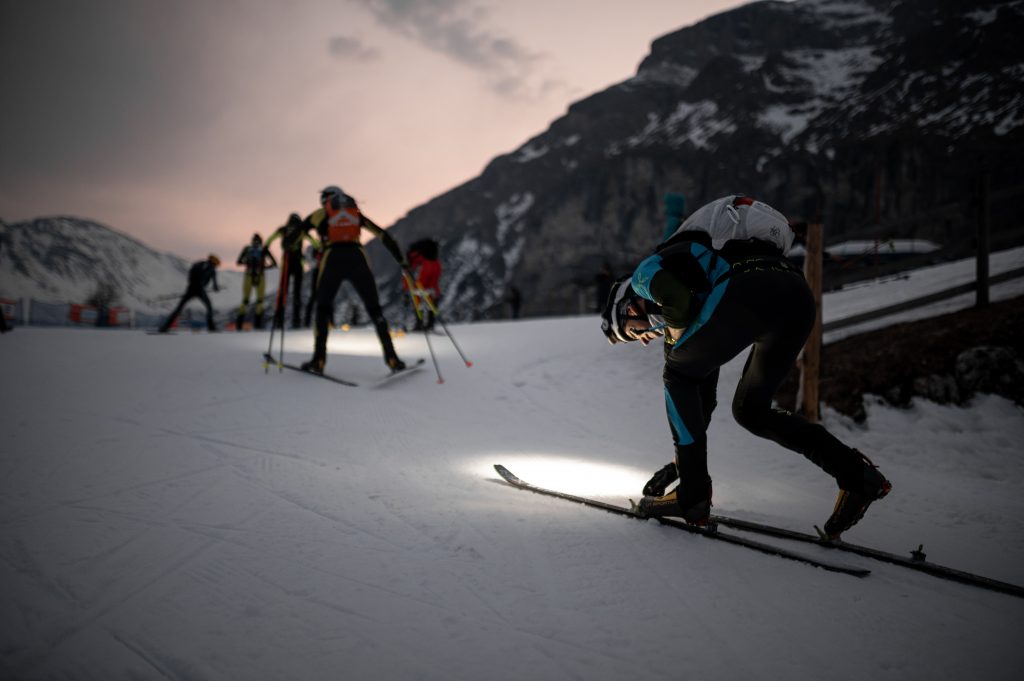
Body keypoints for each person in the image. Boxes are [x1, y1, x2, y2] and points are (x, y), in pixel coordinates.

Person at [601, 195, 891, 539]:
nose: (644, 336)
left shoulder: (643, 275)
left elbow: (677, 309)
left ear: (626, 307)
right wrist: (679, 466)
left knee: (676, 373)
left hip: (745, 290)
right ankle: (858, 477)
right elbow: (700, 403)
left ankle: (693, 499)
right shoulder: (697, 279)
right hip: (795, 292)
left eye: (632, 332)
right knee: (751, 410)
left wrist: (672, 340)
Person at [300, 185, 408, 373]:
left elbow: (296, 234)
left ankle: (318, 360)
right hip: (357, 258)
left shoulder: (319, 214)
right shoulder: (354, 213)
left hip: (331, 258)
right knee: (375, 310)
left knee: (323, 309)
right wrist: (401, 260)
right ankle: (392, 358)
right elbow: (382, 234)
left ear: (324, 200)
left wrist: (308, 244)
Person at [265, 213, 318, 329]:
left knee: (283, 291)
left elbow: (270, 239)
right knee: (297, 293)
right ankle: (296, 321)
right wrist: (318, 250)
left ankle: (279, 320)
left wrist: (265, 248)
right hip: (298, 263)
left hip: (286, 261)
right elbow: (314, 242)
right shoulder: (301, 230)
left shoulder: (283, 230)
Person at [159, 254, 221, 332]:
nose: (216, 266)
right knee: (209, 308)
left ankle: (165, 327)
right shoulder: (212, 269)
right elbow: (215, 285)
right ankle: (211, 328)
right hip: (200, 291)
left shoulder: (198, 264)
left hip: (190, 289)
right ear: (214, 262)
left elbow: (191, 274)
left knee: (179, 308)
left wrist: (192, 285)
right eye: (217, 264)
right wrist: (215, 288)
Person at [235, 233, 277, 330]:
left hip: (248, 275)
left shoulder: (247, 249)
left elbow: (239, 262)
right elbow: (274, 263)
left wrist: (247, 263)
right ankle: (258, 326)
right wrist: (264, 267)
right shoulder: (264, 250)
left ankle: (239, 325)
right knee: (260, 301)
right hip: (260, 276)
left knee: (245, 300)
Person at [405, 238, 442, 331]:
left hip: (421, 281)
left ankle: (419, 323)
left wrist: (407, 288)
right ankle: (430, 324)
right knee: (431, 299)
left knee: (418, 300)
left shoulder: (415, 257)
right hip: (433, 275)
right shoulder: (432, 258)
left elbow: (410, 274)